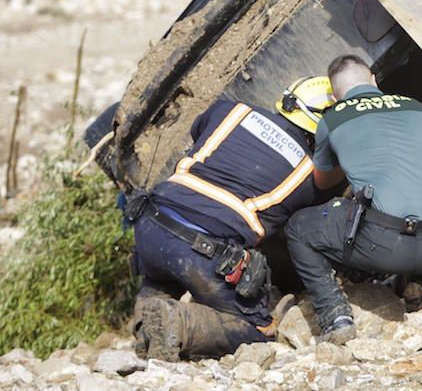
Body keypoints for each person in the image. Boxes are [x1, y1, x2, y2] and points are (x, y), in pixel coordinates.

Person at [285, 55, 422, 344]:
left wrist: (353, 162)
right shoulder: (418, 108)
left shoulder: (332, 118)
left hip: (386, 249)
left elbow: (321, 182)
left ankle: (335, 316)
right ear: (373, 79)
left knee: (298, 227)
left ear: (335, 95)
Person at [125, 77, 336, 361]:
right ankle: (181, 324)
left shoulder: (231, 110)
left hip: (150, 223)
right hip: (202, 250)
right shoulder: (306, 173)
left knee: (163, 272)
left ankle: (149, 316)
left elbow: (198, 132)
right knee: (257, 330)